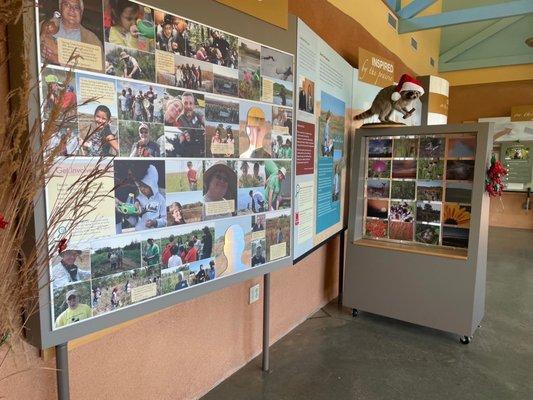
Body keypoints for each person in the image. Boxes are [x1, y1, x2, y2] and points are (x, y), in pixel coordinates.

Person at [40, 0, 103, 66]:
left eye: (76, 7)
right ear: (60, 7)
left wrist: (59, 58)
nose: (72, 9)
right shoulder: (44, 26)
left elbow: (98, 70)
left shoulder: (93, 40)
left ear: (81, 12)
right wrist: (40, 47)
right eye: (67, 4)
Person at [117, 164, 166, 230]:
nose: (142, 189)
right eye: (139, 186)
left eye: (145, 186)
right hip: (139, 233)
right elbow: (135, 223)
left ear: (152, 184)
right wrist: (127, 216)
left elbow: (165, 220)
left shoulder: (161, 199)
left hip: (154, 233)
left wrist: (155, 222)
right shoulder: (138, 199)